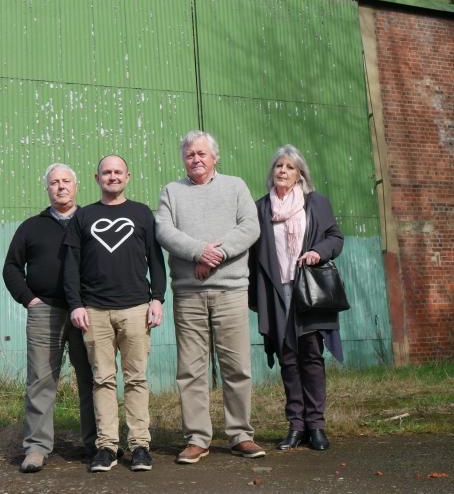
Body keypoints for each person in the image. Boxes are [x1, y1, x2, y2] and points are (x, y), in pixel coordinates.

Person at [155, 130, 265, 464]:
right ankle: (197, 438)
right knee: (191, 369)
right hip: (189, 295)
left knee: (236, 366)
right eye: (190, 154)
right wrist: (199, 253)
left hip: (230, 291)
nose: (196, 159)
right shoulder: (171, 192)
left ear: (214, 157)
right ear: (183, 159)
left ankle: (240, 435)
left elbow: (250, 227)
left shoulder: (235, 186)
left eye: (202, 153)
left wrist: (215, 257)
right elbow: (164, 231)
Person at [63, 155, 166, 473]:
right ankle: (107, 446)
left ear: (128, 176)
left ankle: (139, 447)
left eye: (117, 172)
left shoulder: (141, 214)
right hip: (95, 311)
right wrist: (76, 304)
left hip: (136, 308)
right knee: (102, 381)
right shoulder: (84, 217)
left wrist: (158, 298)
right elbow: (71, 266)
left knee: (137, 380)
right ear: (97, 179)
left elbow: (155, 259)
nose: (112, 176)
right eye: (106, 172)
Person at [248, 144, 344, 451]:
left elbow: (335, 237)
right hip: (277, 291)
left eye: (289, 167)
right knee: (288, 358)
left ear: (300, 173)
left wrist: (318, 251)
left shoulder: (316, 203)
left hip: (309, 289)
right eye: (278, 165)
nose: (282, 171)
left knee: (312, 356)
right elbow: (252, 252)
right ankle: (295, 425)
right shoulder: (260, 208)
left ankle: (316, 426)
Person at [2, 163, 96, 473]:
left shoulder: (90, 221)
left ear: (76, 185)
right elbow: (11, 268)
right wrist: (30, 300)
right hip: (45, 312)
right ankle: (37, 447)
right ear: (47, 188)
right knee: (41, 381)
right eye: (54, 182)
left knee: (92, 379)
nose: (60, 187)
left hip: (86, 311)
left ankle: (96, 443)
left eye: (66, 181)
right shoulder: (31, 227)